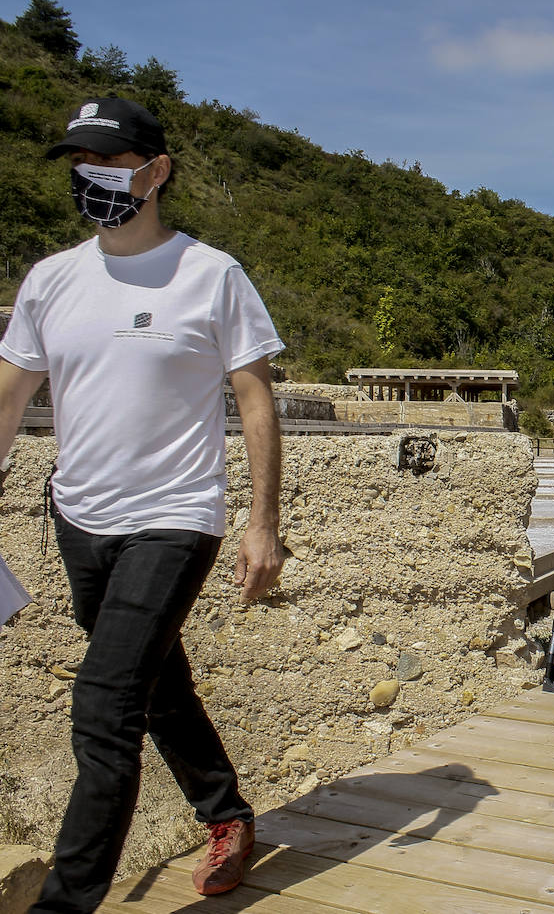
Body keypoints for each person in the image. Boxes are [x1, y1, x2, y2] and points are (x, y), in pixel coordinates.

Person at [0, 98, 285, 911]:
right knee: (152, 683)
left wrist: (263, 524)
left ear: (156, 173)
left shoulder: (211, 274)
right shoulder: (51, 279)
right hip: (79, 516)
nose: (91, 180)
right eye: (79, 165)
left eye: (111, 165)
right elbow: (9, 399)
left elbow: (255, 400)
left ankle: (66, 901)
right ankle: (225, 812)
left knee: (103, 706)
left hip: (176, 514)